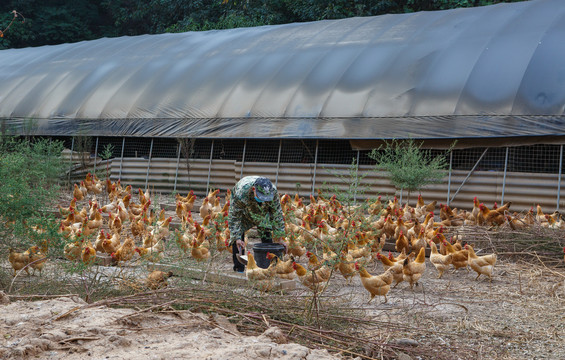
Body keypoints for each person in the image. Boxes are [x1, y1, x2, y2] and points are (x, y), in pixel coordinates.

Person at [228, 176, 287, 272]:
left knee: (266, 233)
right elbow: (235, 216)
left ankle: (267, 267)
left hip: (262, 213)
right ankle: (239, 269)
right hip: (244, 211)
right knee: (238, 238)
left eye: (266, 198)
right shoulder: (242, 192)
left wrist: (280, 238)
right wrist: (237, 237)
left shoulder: (273, 192)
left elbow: (277, 215)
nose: (263, 199)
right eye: (261, 197)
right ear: (254, 189)